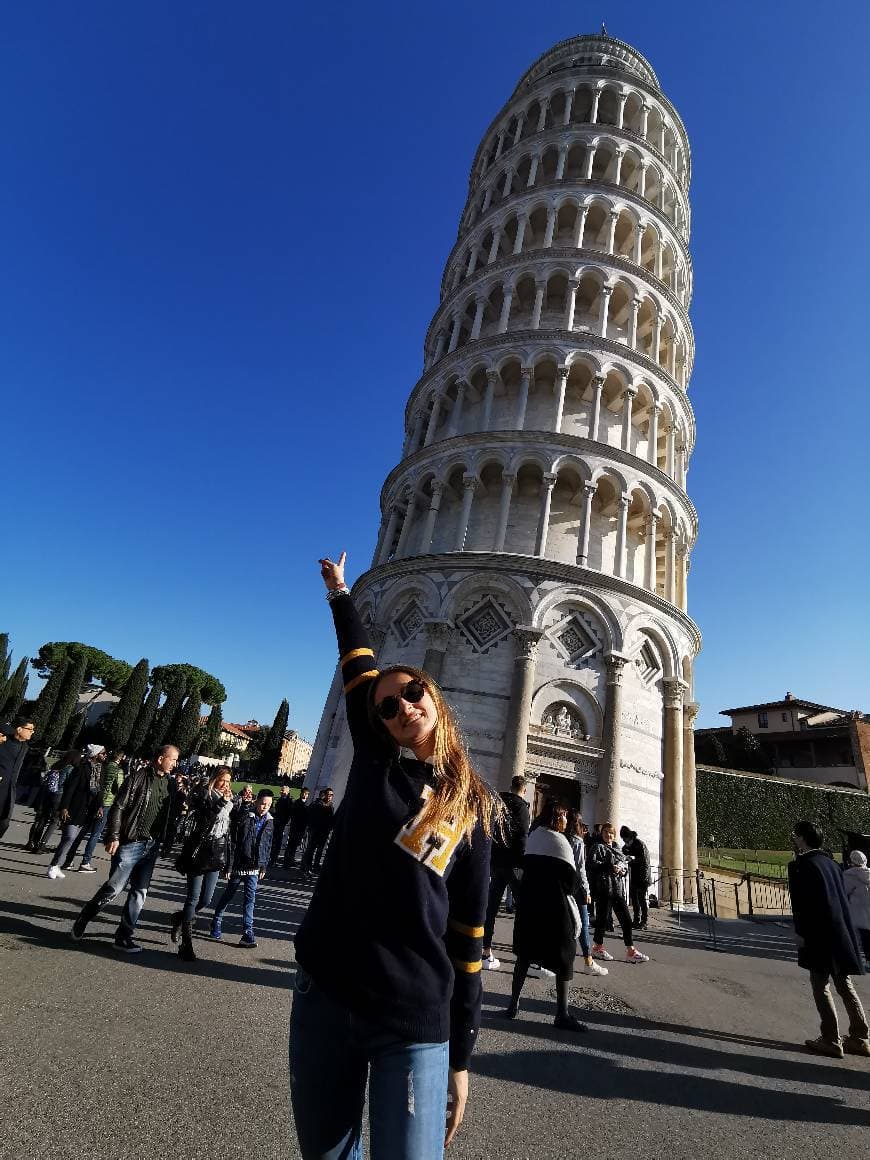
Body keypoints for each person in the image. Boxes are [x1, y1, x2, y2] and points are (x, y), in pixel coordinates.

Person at [290, 551, 498, 1158]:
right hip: (326, 988)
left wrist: (461, 1055)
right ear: (376, 721)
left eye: (412, 694)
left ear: (434, 699)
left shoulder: (473, 807)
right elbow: (357, 660)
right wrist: (340, 594)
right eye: (388, 706)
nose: (402, 707)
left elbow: (469, 938)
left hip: (413, 1019)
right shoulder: (375, 763)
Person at [71, 744, 180, 953]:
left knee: (140, 892)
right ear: (160, 758)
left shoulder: (170, 784)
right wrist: (113, 835)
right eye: (172, 759)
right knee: (114, 888)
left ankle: (124, 936)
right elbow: (119, 805)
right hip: (132, 841)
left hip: (152, 844)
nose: (175, 764)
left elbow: (169, 815)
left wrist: (167, 841)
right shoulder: (138, 777)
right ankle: (85, 916)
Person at [788, 820, 869, 1057]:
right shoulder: (832, 865)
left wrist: (801, 934)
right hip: (840, 934)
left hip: (818, 936)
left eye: (796, 835)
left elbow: (802, 905)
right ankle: (860, 1037)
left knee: (821, 986)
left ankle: (831, 1038)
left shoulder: (801, 866)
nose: (794, 839)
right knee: (845, 985)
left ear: (802, 839)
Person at [504, 798, 587, 1031]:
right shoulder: (561, 843)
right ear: (555, 818)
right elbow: (572, 884)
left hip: (531, 907)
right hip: (556, 910)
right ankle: (562, 1013)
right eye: (562, 817)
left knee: (524, 955)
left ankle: (513, 1005)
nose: (565, 821)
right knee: (564, 958)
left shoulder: (534, 837)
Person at [170, 766, 235, 961]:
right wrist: (222, 802)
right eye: (223, 780)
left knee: (206, 899)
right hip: (198, 851)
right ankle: (186, 944)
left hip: (216, 852)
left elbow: (227, 829)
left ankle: (181, 919)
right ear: (215, 778)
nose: (225, 785)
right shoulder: (202, 793)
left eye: (228, 781)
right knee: (193, 897)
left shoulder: (228, 799)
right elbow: (205, 820)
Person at [209, 788, 274, 948]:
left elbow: (268, 845)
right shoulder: (246, 816)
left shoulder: (270, 821)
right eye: (263, 803)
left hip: (255, 867)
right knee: (229, 894)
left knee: (249, 899)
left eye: (269, 804)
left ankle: (247, 931)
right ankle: (216, 920)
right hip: (239, 864)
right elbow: (234, 842)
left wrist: (263, 866)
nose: (265, 807)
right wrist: (229, 866)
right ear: (257, 801)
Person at [481, 774, 530, 970]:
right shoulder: (522, 807)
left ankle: (486, 951)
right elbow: (523, 837)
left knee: (491, 907)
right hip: (514, 864)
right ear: (524, 790)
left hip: (496, 861)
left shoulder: (498, 802)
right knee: (524, 909)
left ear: (511, 787)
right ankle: (525, 954)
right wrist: (523, 862)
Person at [588, 822, 649, 964]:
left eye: (611, 833)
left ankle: (631, 951)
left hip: (617, 889)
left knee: (626, 921)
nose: (608, 835)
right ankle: (597, 947)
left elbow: (624, 866)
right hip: (604, 888)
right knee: (602, 921)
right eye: (605, 832)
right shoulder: (597, 847)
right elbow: (591, 864)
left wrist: (622, 871)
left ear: (614, 835)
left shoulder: (618, 848)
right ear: (601, 833)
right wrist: (608, 866)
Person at [47, 745, 105, 879]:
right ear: (96, 754)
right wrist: (64, 807)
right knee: (70, 836)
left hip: (89, 809)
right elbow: (70, 788)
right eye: (103, 753)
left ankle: (57, 865)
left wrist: (100, 806)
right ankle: (54, 864)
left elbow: (99, 790)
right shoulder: (82, 768)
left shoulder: (100, 769)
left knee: (72, 839)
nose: (105, 755)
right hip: (75, 806)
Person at [567, 810, 608, 977]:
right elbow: (580, 869)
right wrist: (587, 891)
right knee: (583, 923)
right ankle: (588, 961)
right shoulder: (577, 841)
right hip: (577, 888)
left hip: (563, 886)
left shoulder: (561, 837)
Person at [76, 751, 126, 871]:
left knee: (83, 830)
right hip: (107, 802)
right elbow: (119, 788)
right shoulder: (118, 771)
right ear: (120, 758)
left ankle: (68, 857)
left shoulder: (105, 766)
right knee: (95, 834)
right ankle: (85, 862)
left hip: (96, 800)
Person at [27, 751, 78, 853]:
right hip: (59, 795)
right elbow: (68, 785)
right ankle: (42, 844)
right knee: (54, 821)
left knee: (42, 818)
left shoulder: (57, 765)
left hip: (47, 793)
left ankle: (33, 842)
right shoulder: (70, 769)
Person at [0, 717, 36, 840]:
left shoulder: (24, 747)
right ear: (19, 729)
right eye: (30, 729)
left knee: (4, 823)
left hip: (10, 790)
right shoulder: (3, 741)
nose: (32, 731)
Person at [620, 825, 652, 929]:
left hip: (643, 875)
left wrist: (632, 860)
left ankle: (644, 921)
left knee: (641, 899)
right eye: (623, 840)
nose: (625, 842)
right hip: (634, 875)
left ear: (630, 837)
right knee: (634, 899)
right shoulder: (626, 846)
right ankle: (636, 920)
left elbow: (644, 860)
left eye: (626, 839)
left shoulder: (639, 844)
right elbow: (623, 854)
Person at [843, 850, 870, 966]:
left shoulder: (849, 875)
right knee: (866, 935)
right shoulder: (869, 873)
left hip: (856, 910)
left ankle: (857, 958)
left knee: (855, 936)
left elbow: (844, 891)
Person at [301, 787, 335, 877]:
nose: (329, 796)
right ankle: (306, 868)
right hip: (315, 831)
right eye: (328, 794)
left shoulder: (331, 805)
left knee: (319, 851)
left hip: (324, 832)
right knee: (310, 850)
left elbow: (331, 819)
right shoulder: (317, 804)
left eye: (331, 795)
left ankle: (315, 867)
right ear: (325, 794)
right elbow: (311, 817)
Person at [283, 786, 310, 868]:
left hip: (299, 828)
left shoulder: (302, 804)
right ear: (301, 793)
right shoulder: (298, 803)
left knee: (294, 845)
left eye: (307, 794)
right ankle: (287, 861)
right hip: (296, 827)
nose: (305, 795)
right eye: (304, 793)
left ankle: (289, 860)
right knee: (292, 845)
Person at [270, 785, 293, 866]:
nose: (281, 792)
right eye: (281, 790)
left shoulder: (287, 801)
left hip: (280, 823)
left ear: (287, 792)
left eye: (282, 791)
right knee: (274, 841)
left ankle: (273, 859)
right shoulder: (281, 800)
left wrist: (283, 821)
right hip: (277, 822)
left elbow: (287, 814)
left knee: (277, 842)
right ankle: (272, 858)